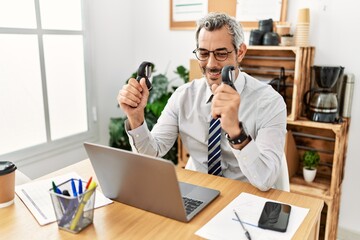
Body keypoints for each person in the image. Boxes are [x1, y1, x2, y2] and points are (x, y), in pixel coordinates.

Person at [117, 12, 287, 191]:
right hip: (199, 192)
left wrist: (236, 132)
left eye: (221, 54)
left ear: (240, 52)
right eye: (203, 53)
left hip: (246, 196)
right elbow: (152, 151)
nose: (211, 64)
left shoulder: (270, 102)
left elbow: (265, 180)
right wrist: (136, 119)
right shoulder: (183, 96)